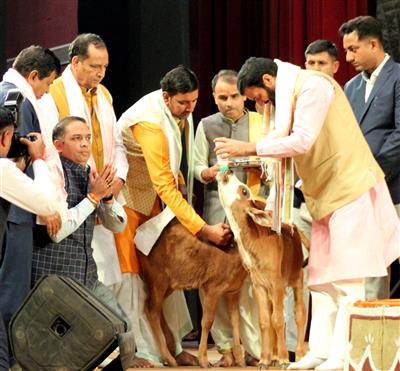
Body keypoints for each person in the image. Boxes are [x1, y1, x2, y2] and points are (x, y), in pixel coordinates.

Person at [214, 57, 400, 370]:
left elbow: (301, 141)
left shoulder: (313, 86)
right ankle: (321, 351)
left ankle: (343, 355)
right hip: (324, 194)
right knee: (321, 280)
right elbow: (281, 145)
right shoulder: (288, 96)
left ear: (268, 81)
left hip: (348, 188)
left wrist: (245, 148)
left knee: (348, 279)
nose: (261, 105)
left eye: (258, 97)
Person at [114, 65, 232, 367]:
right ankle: (139, 351)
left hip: (156, 206)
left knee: (167, 278)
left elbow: (171, 161)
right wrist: (202, 229)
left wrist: (181, 176)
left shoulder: (176, 111)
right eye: (183, 103)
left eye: (194, 101)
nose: (190, 108)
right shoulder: (151, 123)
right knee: (134, 279)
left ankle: (173, 345)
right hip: (130, 203)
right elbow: (163, 184)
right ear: (166, 97)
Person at [30, 116, 134, 370]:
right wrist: (92, 197)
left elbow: (117, 225)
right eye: (77, 139)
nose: (85, 145)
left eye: (88, 138)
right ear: (58, 145)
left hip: (86, 277)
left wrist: (107, 197)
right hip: (56, 281)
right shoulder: (53, 176)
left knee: (124, 331)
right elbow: (58, 232)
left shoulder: (90, 173)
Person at [41, 33, 128, 289]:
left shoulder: (105, 95)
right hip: (72, 194)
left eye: (104, 67)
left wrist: (119, 178)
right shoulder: (53, 93)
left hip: (103, 191)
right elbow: (49, 148)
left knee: (106, 282)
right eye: (95, 66)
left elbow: (118, 142)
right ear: (76, 62)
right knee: (77, 286)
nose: (101, 73)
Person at [194, 69, 263, 366]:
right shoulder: (207, 125)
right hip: (216, 213)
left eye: (234, 96)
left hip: (252, 214)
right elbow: (196, 166)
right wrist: (206, 172)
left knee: (251, 282)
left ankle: (251, 346)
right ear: (213, 97)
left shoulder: (259, 122)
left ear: (244, 94)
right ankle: (224, 347)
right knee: (215, 281)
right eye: (222, 97)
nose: (229, 103)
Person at [0, 45, 62, 366]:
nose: (45, 92)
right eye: (47, 84)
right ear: (33, 76)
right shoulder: (17, 98)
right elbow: (19, 158)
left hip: (10, 212)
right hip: (15, 211)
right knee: (12, 292)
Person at [340, 15, 400, 299]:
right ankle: (376, 341)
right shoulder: (350, 88)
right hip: (364, 194)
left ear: (373, 44)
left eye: (353, 49)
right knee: (373, 270)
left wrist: (373, 172)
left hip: (394, 187)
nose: (348, 56)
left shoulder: (398, 77)